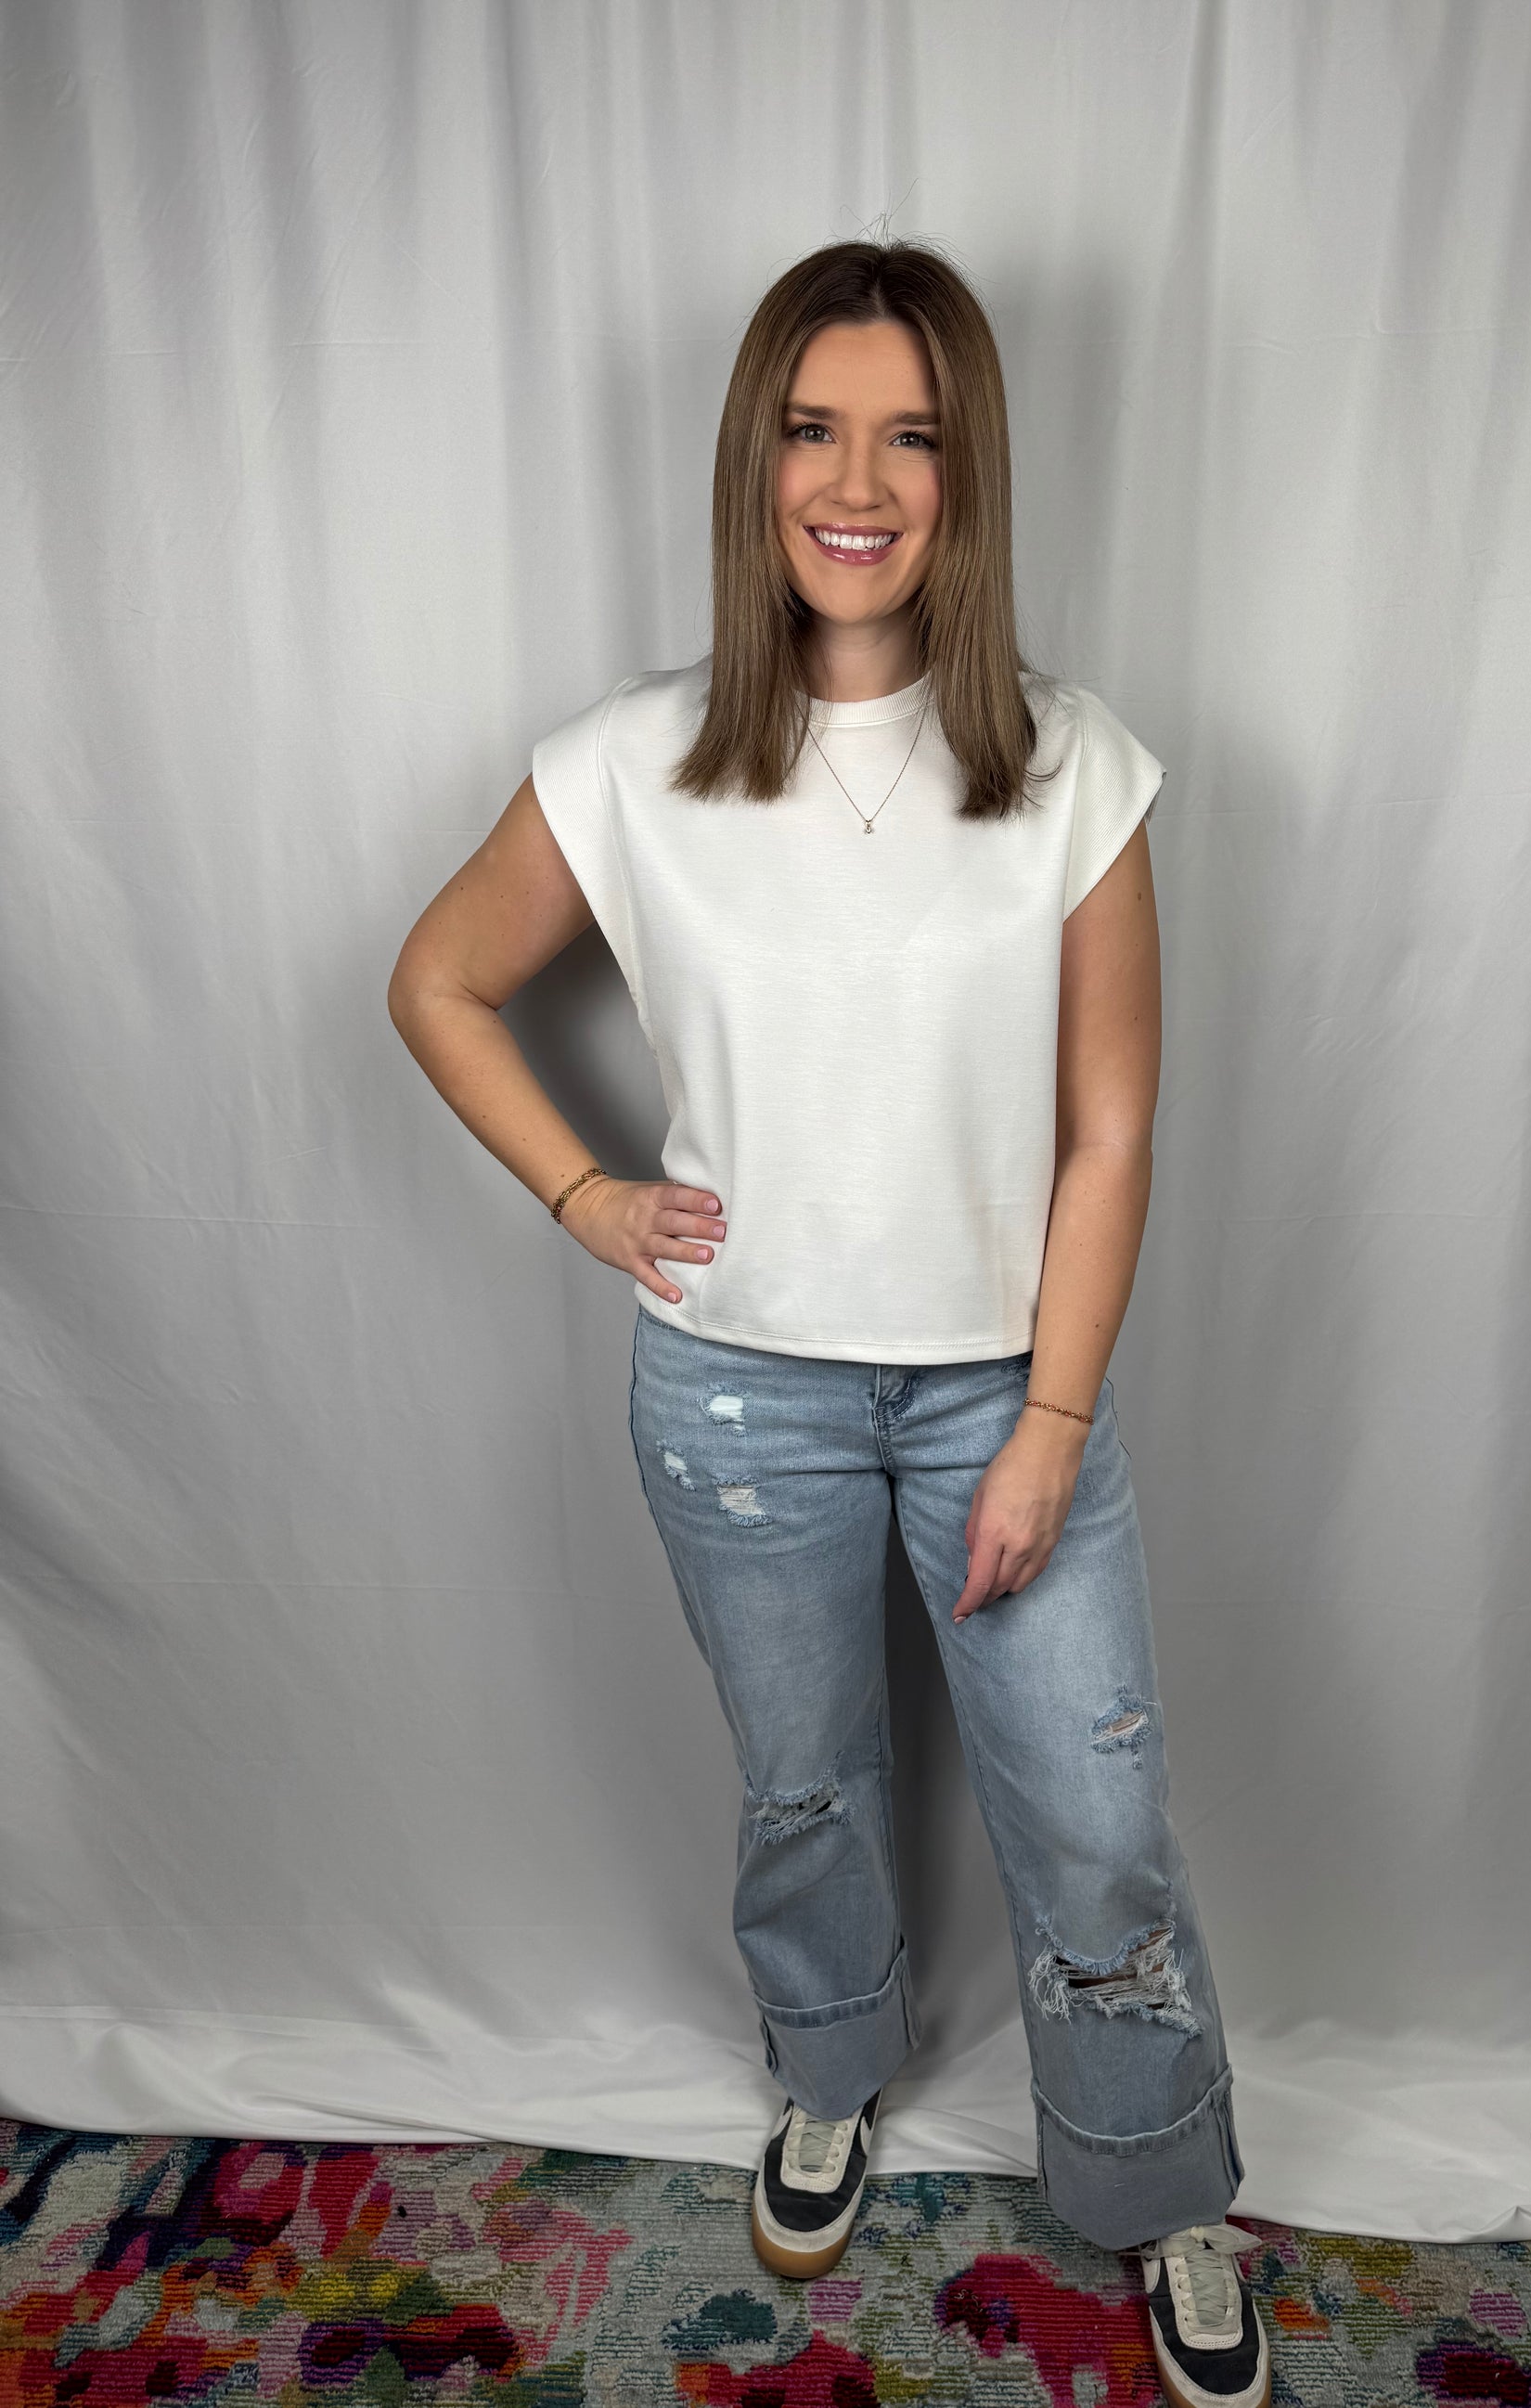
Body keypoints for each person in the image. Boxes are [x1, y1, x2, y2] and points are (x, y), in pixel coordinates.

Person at [387, 238, 1270, 2408]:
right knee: (805, 1788)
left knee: (1095, 1823)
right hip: (735, 1394)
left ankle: (1155, 2177)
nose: (854, 483)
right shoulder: (632, 760)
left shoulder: (1070, 767)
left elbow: (1110, 1129)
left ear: (967, 476)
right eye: (810, 428)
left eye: (909, 437)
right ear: (753, 459)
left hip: (1000, 1388)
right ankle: (829, 2068)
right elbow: (439, 978)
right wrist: (589, 1192)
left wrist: (1047, 1417)